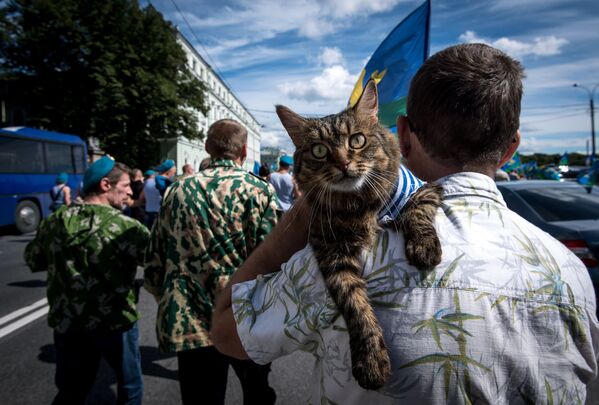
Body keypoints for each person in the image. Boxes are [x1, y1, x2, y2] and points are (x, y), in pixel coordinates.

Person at [211, 44, 599, 403]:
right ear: (511, 147)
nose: (344, 162)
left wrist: (296, 224)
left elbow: (225, 332)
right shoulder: (571, 274)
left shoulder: (329, 267)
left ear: (403, 136)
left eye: (357, 145)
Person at [144, 119, 278, 405]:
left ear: (207, 147)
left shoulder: (177, 191)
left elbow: (155, 258)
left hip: (192, 321)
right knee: (257, 394)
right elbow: (275, 261)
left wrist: (167, 299)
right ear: (244, 149)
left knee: (201, 399)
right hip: (245, 318)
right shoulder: (259, 191)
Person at [24, 156, 149, 405]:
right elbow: (157, 264)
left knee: (72, 391)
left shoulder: (54, 222)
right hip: (115, 322)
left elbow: (33, 260)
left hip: (68, 322)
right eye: (125, 186)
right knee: (130, 387)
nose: (129, 193)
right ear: (105, 185)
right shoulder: (126, 227)